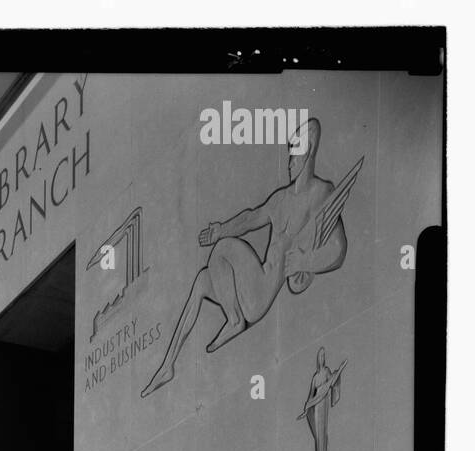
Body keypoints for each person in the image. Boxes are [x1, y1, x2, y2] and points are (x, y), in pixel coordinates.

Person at [141, 119, 357, 397]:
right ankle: (167, 365)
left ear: (309, 151)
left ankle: (233, 319)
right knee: (202, 281)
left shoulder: (321, 193)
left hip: (261, 293)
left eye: (294, 154)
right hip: (250, 286)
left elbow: (338, 249)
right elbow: (250, 218)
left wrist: (305, 262)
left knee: (222, 249)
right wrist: (221, 228)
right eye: (289, 155)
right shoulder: (280, 199)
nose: (289, 162)